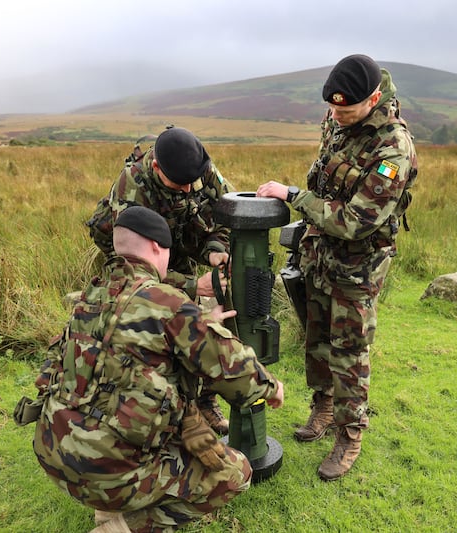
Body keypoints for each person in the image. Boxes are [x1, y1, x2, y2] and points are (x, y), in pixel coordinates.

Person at [31, 206, 284, 533]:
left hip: (54, 454)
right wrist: (272, 387)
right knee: (233, 475)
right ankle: (121, 525)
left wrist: (199, 326)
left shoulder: (90, 296)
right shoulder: (168, 301)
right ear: (156, 247)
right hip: (105, 471)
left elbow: (131, 352)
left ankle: (107, 501)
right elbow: (237, 375)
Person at [256, 54, 418, 481]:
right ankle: (323, 408)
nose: (336, 117)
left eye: (345, 111)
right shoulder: (335, 120)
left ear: (375, 99)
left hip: (358, 266)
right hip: (320, 255)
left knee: (349, 353)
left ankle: (350, 435)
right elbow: (326, 180)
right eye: (332, 109)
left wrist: (295, 196)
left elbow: (355, 220)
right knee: (317, 339)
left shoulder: (392, 149)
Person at [86, 125, 234, 435]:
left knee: (195, 327)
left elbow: (227, 214)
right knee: (157, 332)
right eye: (178, 185)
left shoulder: (199, 169)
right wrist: (193, 286)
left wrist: (216, 250)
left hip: (177, 250)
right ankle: (161, 407)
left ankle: (205, 403)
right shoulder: (132, 190)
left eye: (192, 184)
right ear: (156, 168)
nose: (188, 191)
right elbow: (137, 267)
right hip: (138, 262)